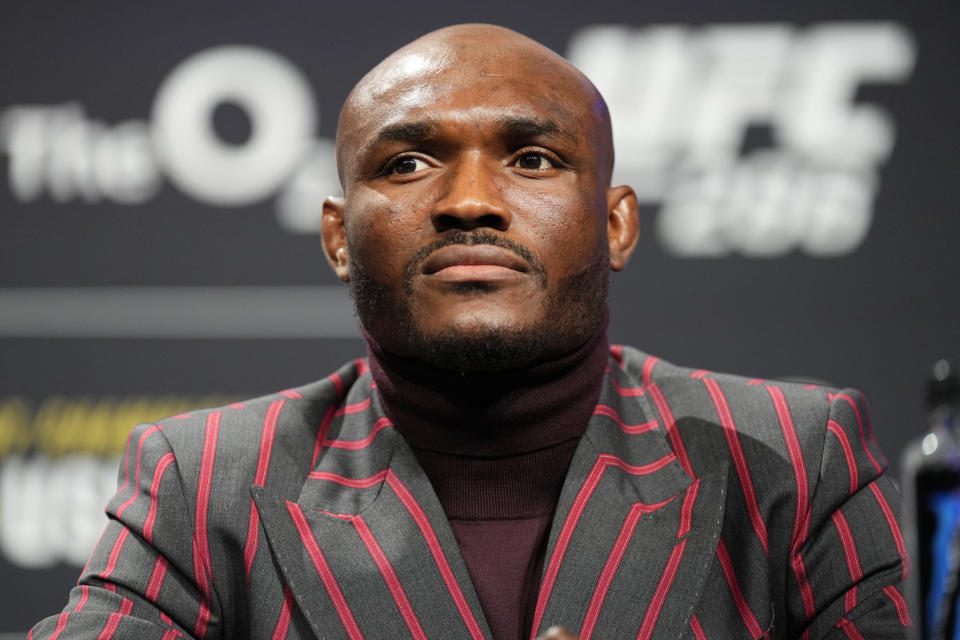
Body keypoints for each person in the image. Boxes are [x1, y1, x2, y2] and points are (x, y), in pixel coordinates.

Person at [32, 24, 908, 640]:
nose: (468, 201)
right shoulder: (206, 482)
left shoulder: (795, 456)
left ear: (616, 225)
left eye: (532, 159)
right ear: (339, 235)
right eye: (409, 163)